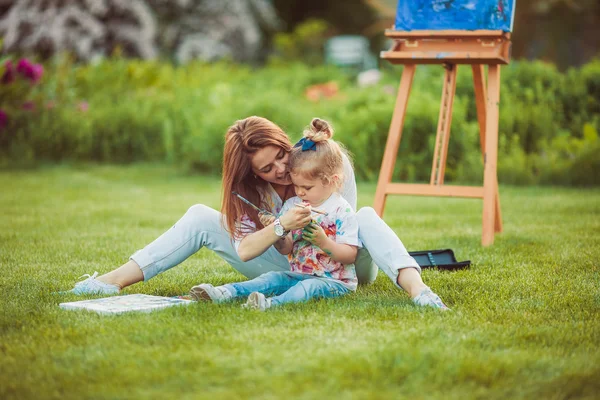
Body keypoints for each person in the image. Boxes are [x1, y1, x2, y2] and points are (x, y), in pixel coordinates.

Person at [68, 116, 448, 310]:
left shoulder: (320, 167)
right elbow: (248, 251)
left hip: (344, 265)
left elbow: (344, 233)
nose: (281, 171)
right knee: (201, 215)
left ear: (287, 144)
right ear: (252, 174)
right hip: (291, 264)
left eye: (281, 156)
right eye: (267, 169)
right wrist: (281, 225)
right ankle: (107, 282)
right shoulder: (249, 193)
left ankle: (419, 291)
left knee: (366, 214)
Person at [189, 118, 360, 310]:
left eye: (307, 187)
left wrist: (323, 242)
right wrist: (276, 229)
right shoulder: (293, 204)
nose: (300, 192)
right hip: (300, 274)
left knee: (308, 287)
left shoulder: (340, 209)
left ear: (330, 181)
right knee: (273, 278)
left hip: (336, 282)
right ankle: (226, 292)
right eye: (296, 186)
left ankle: (270, 304)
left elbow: (350, 256)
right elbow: (286, 248)